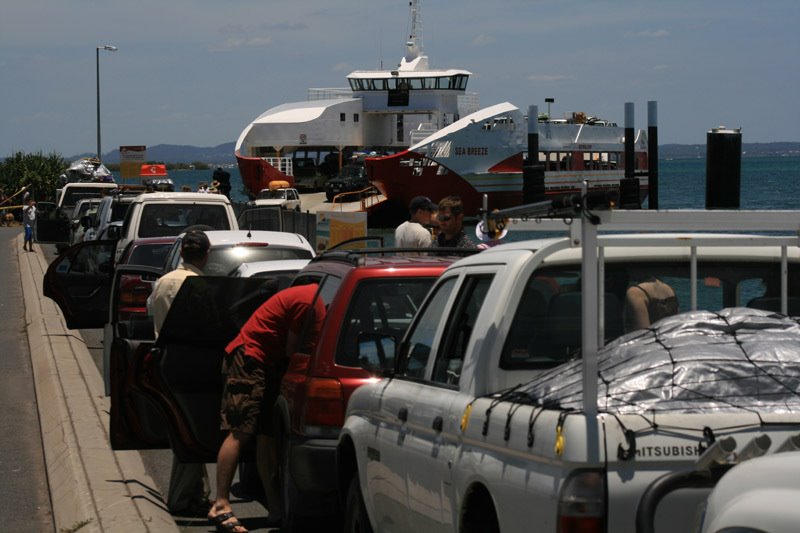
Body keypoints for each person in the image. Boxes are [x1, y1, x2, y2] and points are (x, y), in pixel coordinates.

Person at [208, 283, 325, 533]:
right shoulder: (309, 303)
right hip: (248, 358)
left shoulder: (315, 300)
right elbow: (293, 350)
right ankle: (221, 503)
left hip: (267, 363)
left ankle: (274, 507)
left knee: (266, 437)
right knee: (240, 431)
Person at [149, 229, 212, 516]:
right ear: (206, 254)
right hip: (192, 365)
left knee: (183, 430)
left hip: (165, 362)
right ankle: (181, 499)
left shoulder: (162, 282)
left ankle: (196, 494)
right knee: (192, 432)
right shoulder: (201, 285)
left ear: (183, 252)